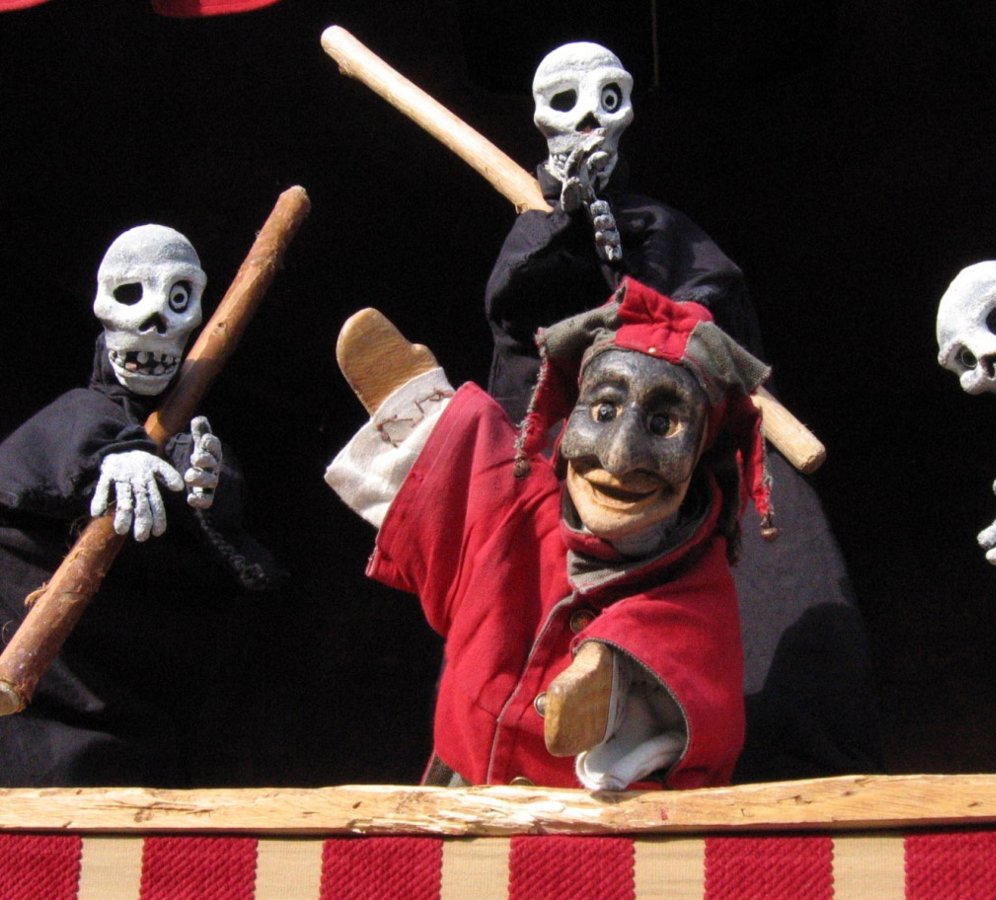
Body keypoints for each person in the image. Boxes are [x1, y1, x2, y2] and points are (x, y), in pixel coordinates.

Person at [483, 41, 882, 780]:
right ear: (542, 119)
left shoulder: (665, 234)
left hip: (674, 459)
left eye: (608, 101)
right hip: (571, 455)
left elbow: (716, 313)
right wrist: (567, 249)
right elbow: (521, 347)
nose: (590, 123)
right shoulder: (537, 241)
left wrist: (658, 316)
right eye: (567, 104)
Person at [326, 279, 775, 789]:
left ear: (699, 454)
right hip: (462, 801)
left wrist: (610, 673)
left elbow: (698, 674)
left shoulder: (695, 588)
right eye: (604, 412)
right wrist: (410, 397)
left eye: (663, 425)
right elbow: (471, 458)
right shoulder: (520, 509)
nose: (619, 457)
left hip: (596, 823)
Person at [0, 225, 283, 786]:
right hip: (43, 718)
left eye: (178, 300)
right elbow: (29, 473)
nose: (155, 321)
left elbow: (225, 559)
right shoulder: (76, 423)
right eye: (132, 295)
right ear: (105, 307)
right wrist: (104, 460)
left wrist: (207, 490)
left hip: (145, 723)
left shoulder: (193, 446)